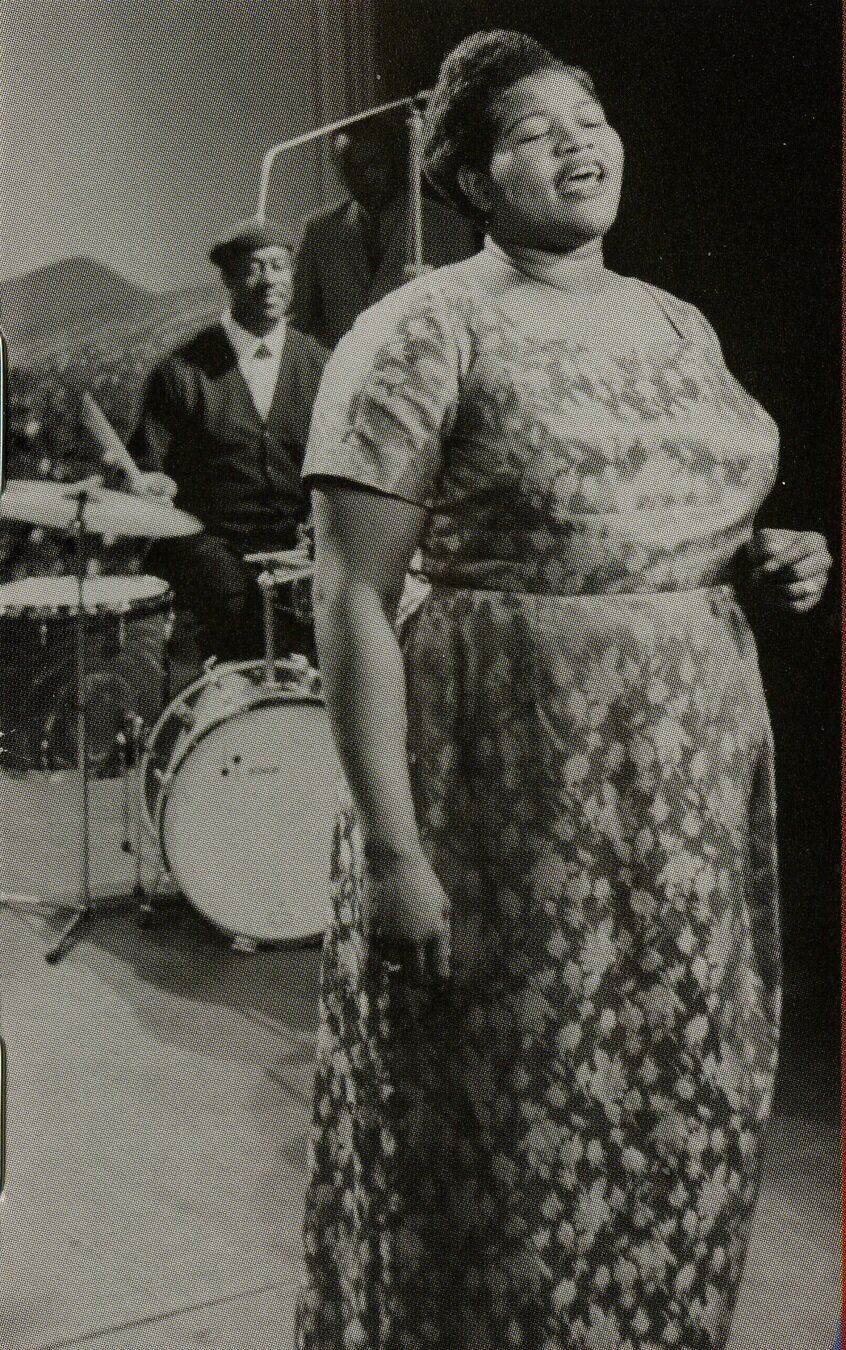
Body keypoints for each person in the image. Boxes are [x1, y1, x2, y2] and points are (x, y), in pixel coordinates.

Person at [295, 31, 832, 1350]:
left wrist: (770, 552)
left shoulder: (673, 321)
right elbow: (352, 594)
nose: (580, 143)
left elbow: (677, 513)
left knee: (674, 1102)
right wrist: (393, 852)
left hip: (681, 807)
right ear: (474, 179)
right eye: (536, 131)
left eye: (588, 116)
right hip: (504, 793)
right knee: (511, 1120)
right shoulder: (423, 326)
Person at [127, 218, 327, 662]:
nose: (270, 280)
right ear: (228, 278)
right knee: (235, 603)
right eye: (254, 268)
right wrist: (149, 485)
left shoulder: (321, 365)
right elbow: (146, 465)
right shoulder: (180, 371)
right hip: (210, 550)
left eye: (279, 266)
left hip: (298, 549)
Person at [289, 116, 478, 349]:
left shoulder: (448, 226)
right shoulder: (320, 232)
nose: (365, 176)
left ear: (393, 162)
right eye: (351, 167)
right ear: (337, 172)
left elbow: (472, 315)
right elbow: (299, 323)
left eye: (374, 163)